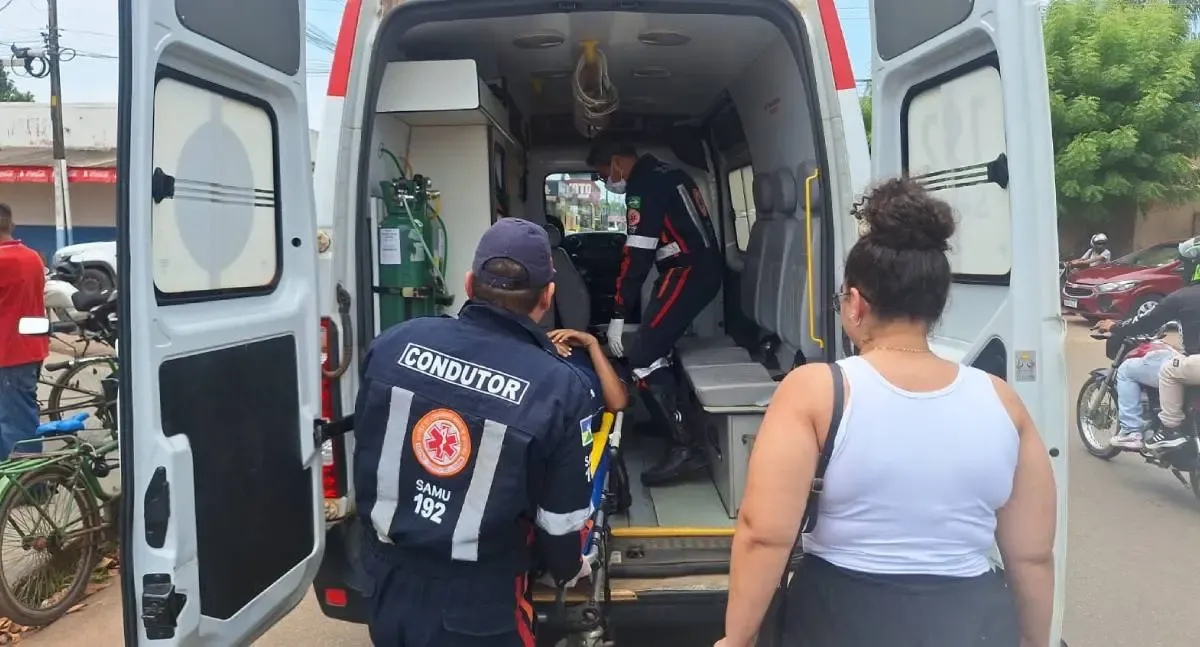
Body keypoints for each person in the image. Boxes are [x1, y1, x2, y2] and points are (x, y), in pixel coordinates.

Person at [718, 178, 1057, 647]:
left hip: (841, 616)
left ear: (856, 303)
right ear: (937, 305)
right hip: (973, 621)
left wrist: (736, 639)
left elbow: (764, 535)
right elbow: (1033, 556)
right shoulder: (1002, 400)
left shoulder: (818, 391)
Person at [353, 218, 595, 647]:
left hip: (384, 584)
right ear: (547, 298)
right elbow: (560, 525)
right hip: (479, 603)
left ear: (468, 284)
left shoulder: (393, 344)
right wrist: (569, 567)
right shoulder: (557, 388)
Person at [587, 138, 722, 487]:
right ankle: (667, 419)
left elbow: (637, 255)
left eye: (605, 175)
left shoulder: (643, 185)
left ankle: (684, 444)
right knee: (657, 346)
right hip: (698, 269)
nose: (607, 182)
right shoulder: (669, 173)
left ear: (618, 160)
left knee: (643, 355)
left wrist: (618, 313)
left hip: (688, 273)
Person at [1095, 236, 1200, 452]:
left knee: (1137, 370)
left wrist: (1114, 326)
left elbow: (1144, 323)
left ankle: (1158, 431)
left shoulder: (1182, 297)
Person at [0, 204, 48, 459]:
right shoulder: (32, 257)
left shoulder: (3, 260)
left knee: (15, 423)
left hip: (9, 353)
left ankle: (33, 484)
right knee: (11, 417)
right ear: (10, 225)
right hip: (30, 348)